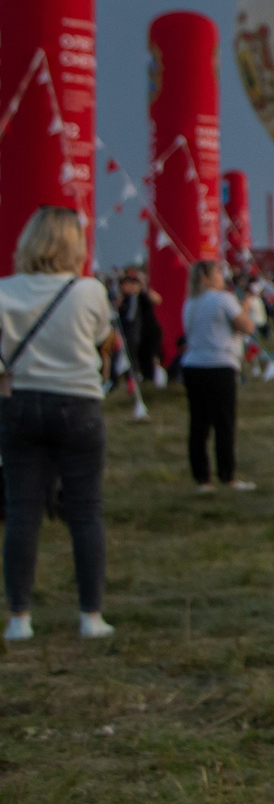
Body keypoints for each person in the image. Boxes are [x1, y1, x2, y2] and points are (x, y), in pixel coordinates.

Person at [0, 208, 121, 642]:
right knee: (85, 512)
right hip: (78, 402)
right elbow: (99, 336)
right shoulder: (89, 291)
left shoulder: (4, 292)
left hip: (19, 404)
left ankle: (19, 617)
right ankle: (91, 615)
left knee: (21, 514)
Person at [180, 260, 256, 493]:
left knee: (199, 424)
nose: (222, 276)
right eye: (217, 272)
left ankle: (202, 478)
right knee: (224, 422)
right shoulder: (223, 299)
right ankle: (227, 475)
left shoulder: (190, 302)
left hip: (194, 365)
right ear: (207, 277)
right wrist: (246, 308)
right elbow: (247, 327)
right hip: (219, 364)